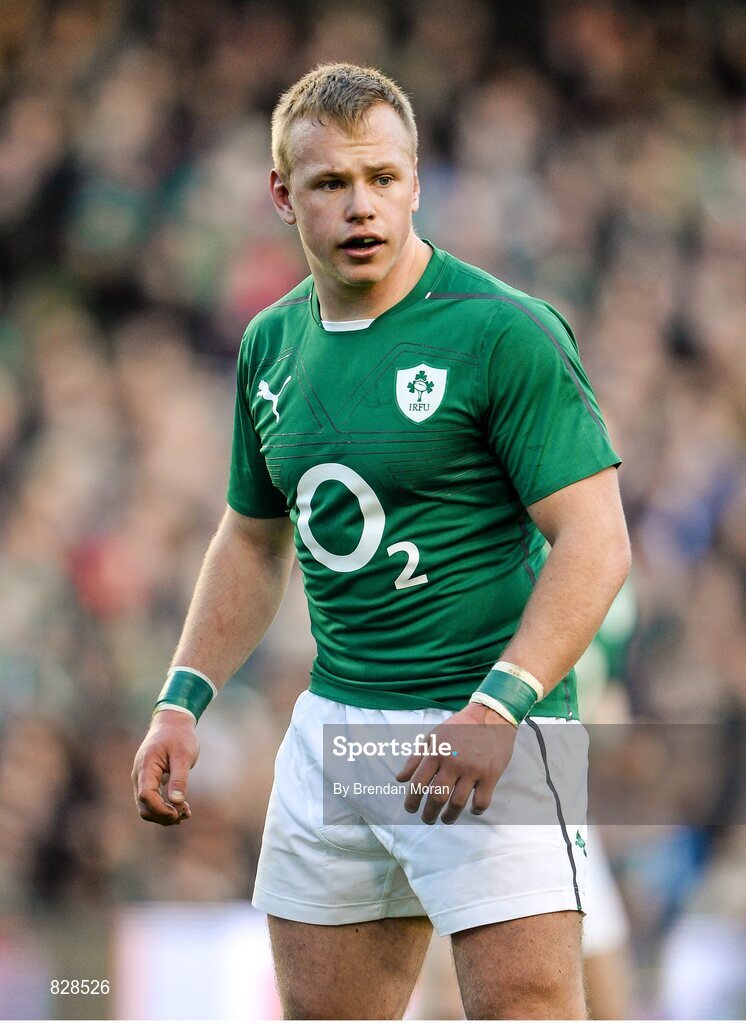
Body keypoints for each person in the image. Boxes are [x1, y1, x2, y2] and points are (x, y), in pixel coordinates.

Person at [132, 62, 631, 1019]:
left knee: (526, 1009)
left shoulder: (502, 331)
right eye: (330, 184)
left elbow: (596, 541)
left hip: (491, 724)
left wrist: (498, 712)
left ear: (417, 177)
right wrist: (181, 701)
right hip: (339, 732)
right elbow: (250, 537)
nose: (362, 206)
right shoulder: (270, 345)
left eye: (384, 179)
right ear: (283, 194)